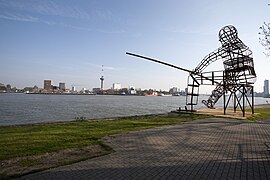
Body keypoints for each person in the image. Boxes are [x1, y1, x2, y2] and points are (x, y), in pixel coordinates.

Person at [193, 25, 256, 108]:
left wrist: (198, 70)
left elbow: (208, 58)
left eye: (222, 39)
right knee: (224, 83)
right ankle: (211, 101)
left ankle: (211, 102)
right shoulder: (247, 49)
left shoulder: (224, 49)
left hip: (236, 78)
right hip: (250, 78)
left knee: (221, 85)